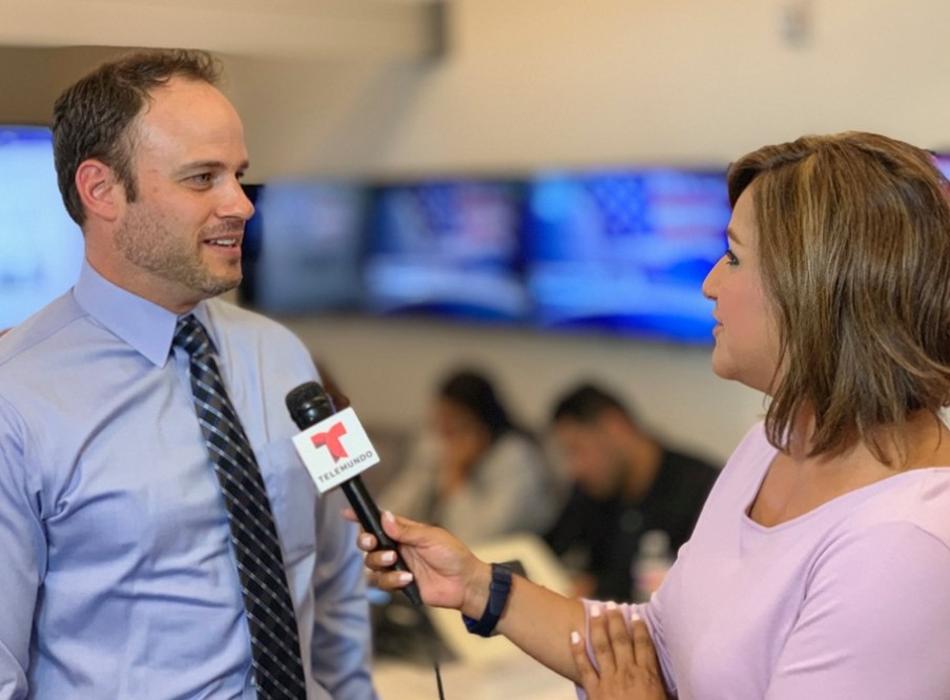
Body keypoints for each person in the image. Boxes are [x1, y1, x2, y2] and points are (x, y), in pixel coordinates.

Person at [356, 132, 950, 699]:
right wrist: (476, 585)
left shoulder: (901, 547)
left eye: (734, 258)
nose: (709, 284)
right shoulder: (773, 443)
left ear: (817, 292)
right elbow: (650, 646)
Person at [0, 50, 376, 699]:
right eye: (203, 178)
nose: (242, 205)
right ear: (101, 190)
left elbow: (339, 571)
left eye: (239, 175)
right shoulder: (17, 397)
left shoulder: (286, 356)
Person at [544, 383, 718, 600]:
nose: (575, 469)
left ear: (615, 427)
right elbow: (549, 548)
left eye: (577, 449)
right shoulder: (592, 490)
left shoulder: (703, 491)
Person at [379, 368, 559, 543]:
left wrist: (457, 475)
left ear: (481, 423)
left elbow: (479, 538)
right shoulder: (437, 443)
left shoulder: (516, 458)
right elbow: (399, 501)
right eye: (440, 421)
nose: (444, 432)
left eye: (455, 423)